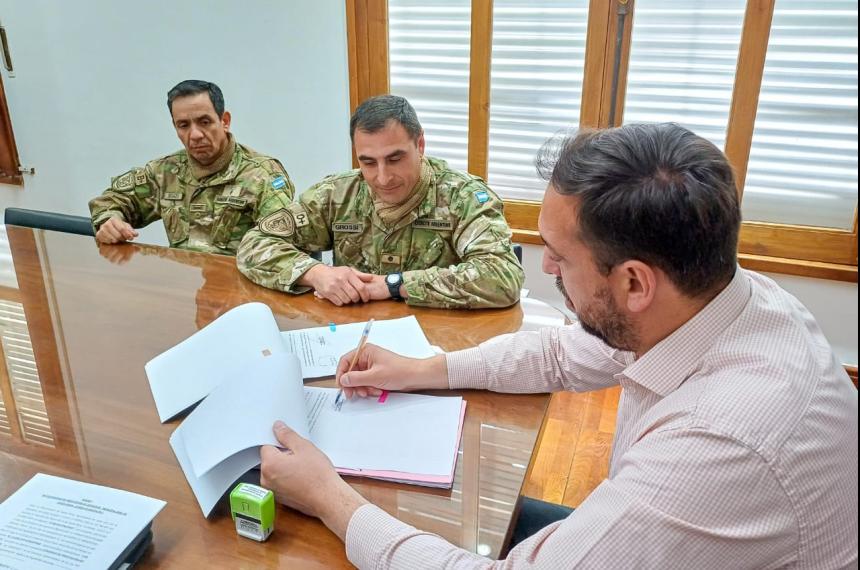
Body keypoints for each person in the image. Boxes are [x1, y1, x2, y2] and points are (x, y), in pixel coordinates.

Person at [258, 123, 858, 568]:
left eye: (561, 256)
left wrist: (329, 497)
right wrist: (420, 368)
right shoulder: (720, 297)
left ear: (633, 283)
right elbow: (559, 353)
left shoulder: (720, 444)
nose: (545, 266)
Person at [237, 95, 524, 309]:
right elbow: (254, 244)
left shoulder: (463, 197)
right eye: (368, 162)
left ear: (420, 145)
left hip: (436, 344)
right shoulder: (338, 193)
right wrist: (316, 273)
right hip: (353, 338)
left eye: (395, 159)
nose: (383, 177)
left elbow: (502, 277)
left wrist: (394, 286)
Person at [89, 80, 295, 255]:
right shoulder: (165, 172)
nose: (195, 135)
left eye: (204, 122)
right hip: (183, 288)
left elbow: (280, 247)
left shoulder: (262, 175)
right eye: (184, 125)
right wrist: (110, 220)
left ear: (224, 121)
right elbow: (111, 200)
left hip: (242, 292)